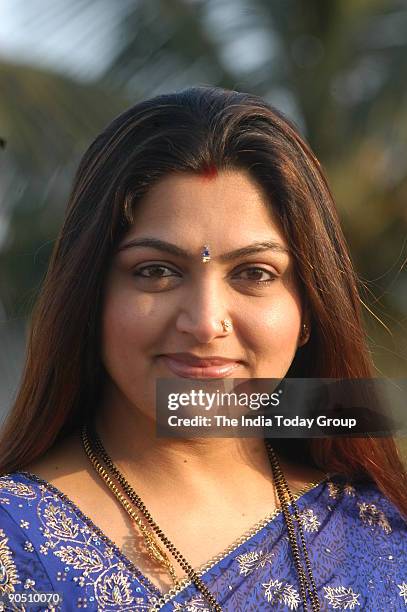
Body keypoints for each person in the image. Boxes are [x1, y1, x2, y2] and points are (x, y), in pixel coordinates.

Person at [0, 86, 406, 612]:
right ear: (89, 297)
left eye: (254, 273)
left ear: (309, 310)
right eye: (156, 271)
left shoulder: (385, 538)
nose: (205, 322)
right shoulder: (14, 540)